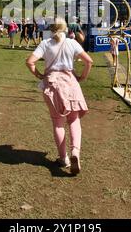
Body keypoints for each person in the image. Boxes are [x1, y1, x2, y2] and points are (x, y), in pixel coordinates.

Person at [26, 18, 93, 175]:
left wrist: (40, 75)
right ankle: (75, 151)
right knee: (74, 120)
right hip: (70, 83)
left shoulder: (45, 43)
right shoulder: (72, 42)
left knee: (58, 123)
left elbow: (30, 62)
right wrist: (82, 77)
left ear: (51, 28)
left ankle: (64, 158)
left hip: (52, 85)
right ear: (65, 28)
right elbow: (89, 61)